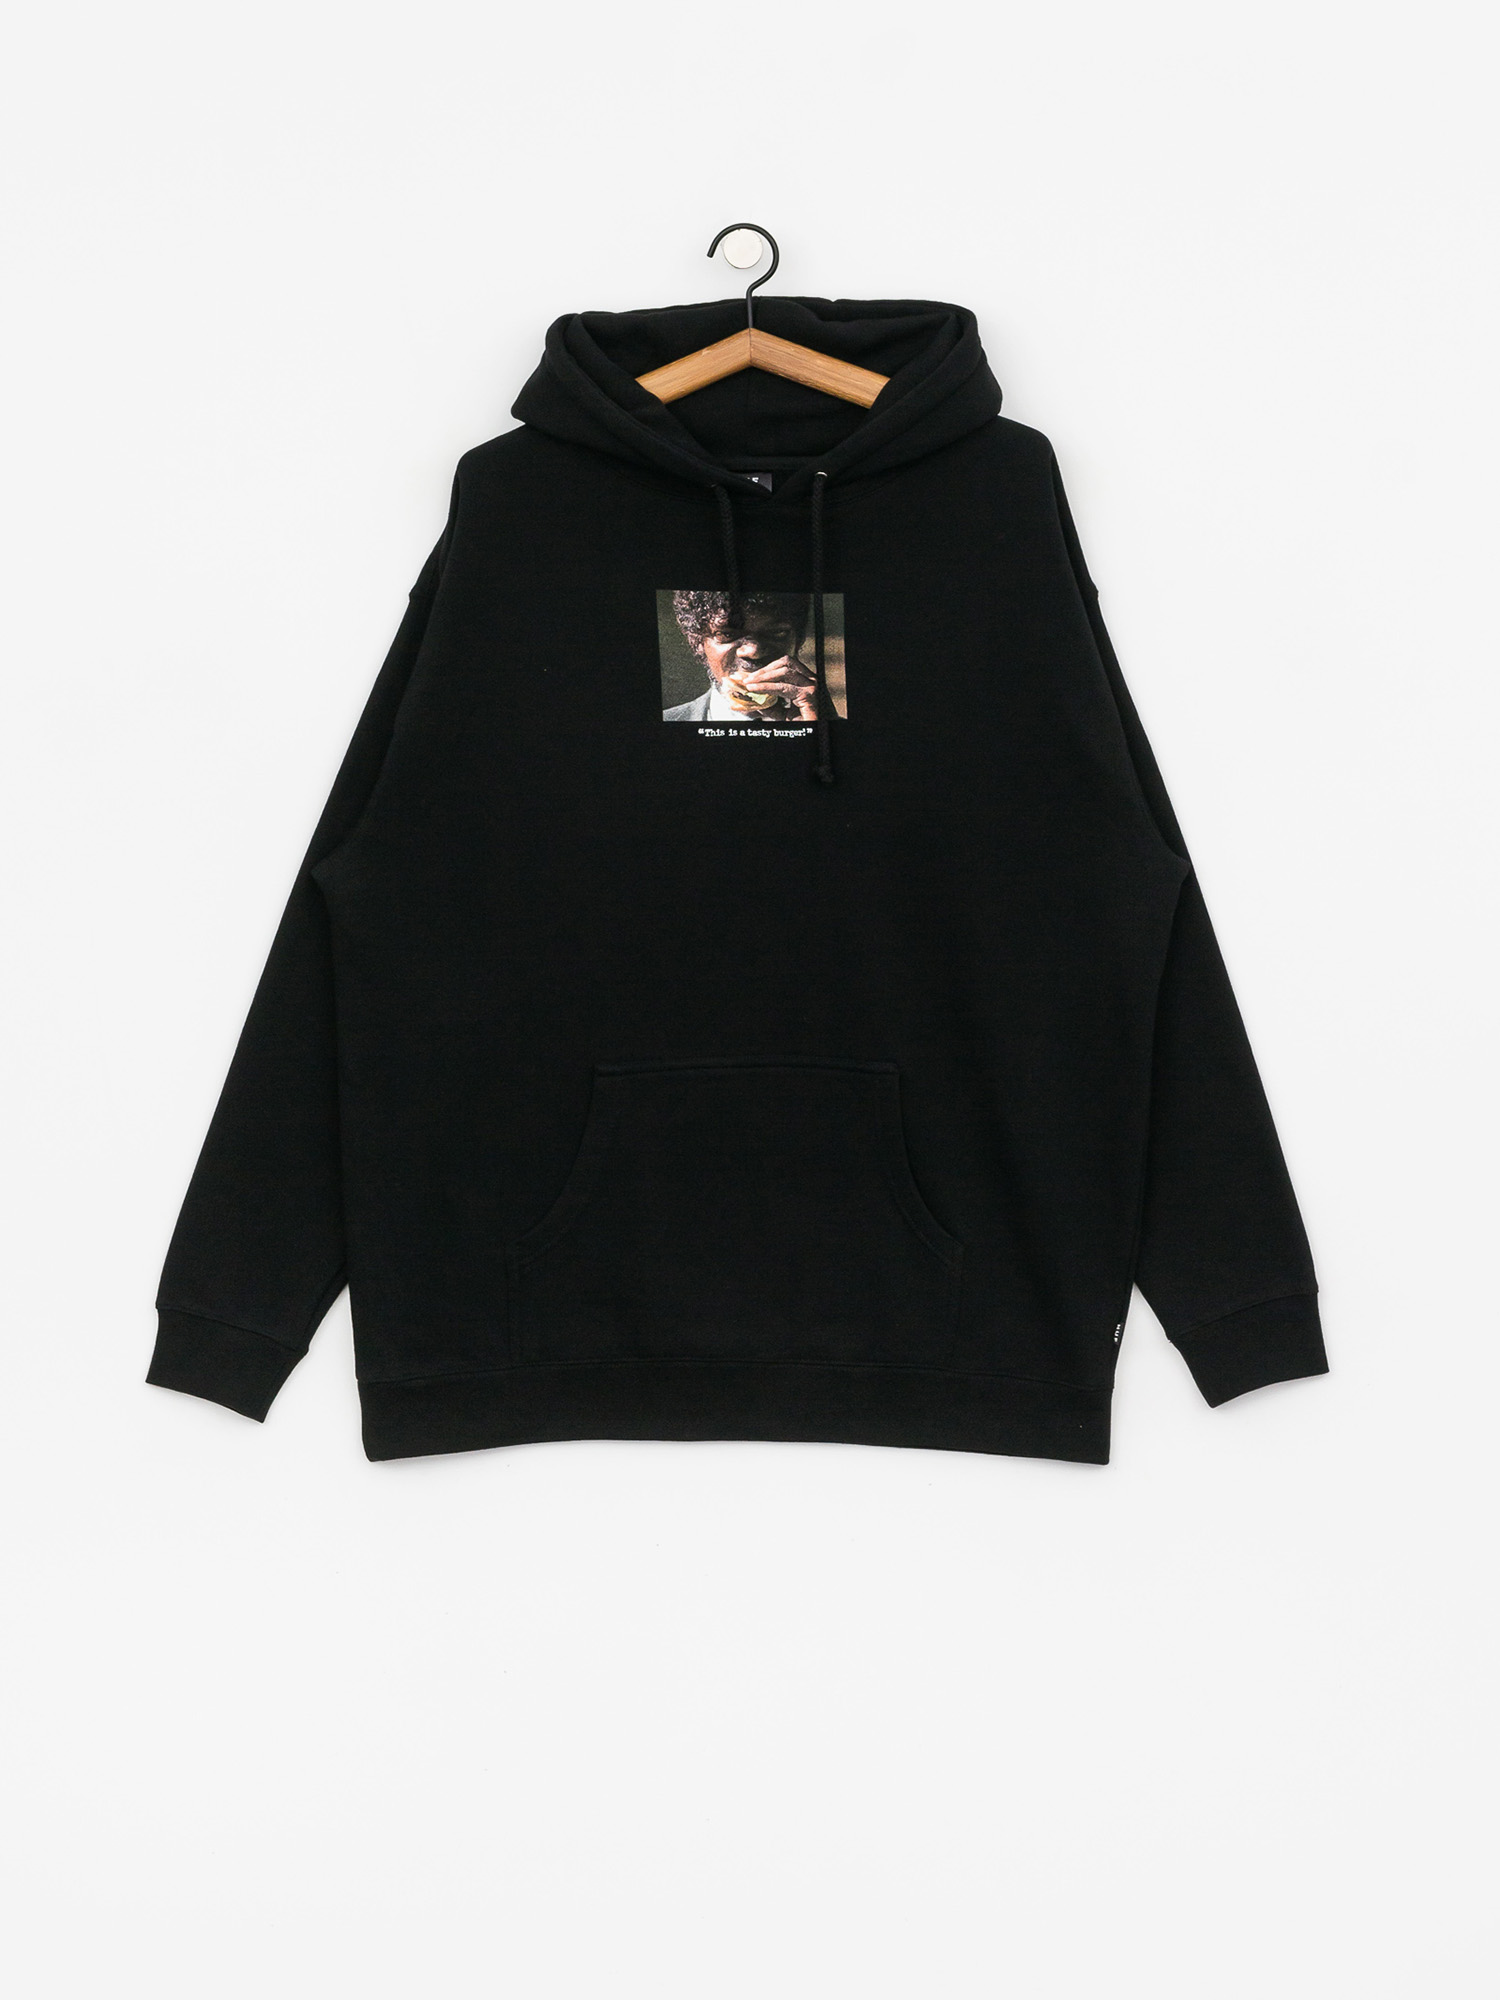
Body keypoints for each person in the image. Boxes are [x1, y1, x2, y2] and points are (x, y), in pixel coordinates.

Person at [663, 591, 819, 722]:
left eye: (776, 633)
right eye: (727, 634)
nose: (753, 651)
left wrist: (816, 731)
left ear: (799, 640)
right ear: (697, 642)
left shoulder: (818, 719)